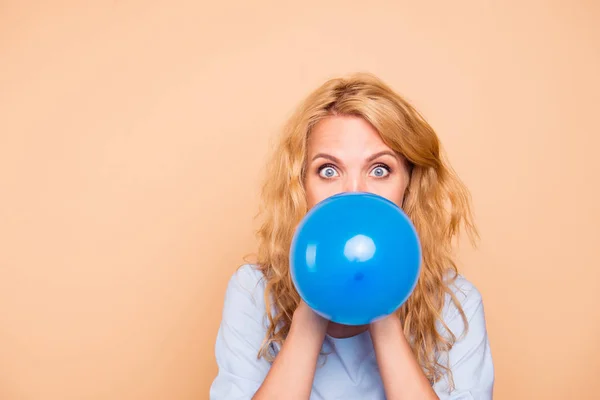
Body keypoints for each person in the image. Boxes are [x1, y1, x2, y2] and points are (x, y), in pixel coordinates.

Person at [209, 73, 494, 399]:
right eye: (328, 170)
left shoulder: (456, 305)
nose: (354, 193)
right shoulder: (253, 293)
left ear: (408, 185)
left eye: (379, 170)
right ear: (301, 186)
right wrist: (313, 308)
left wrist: (383, 310)